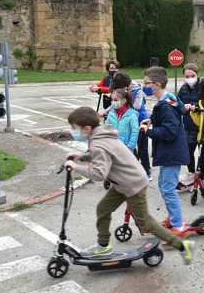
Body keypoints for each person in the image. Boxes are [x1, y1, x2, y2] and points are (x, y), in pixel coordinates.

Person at [63, 106, 195, 263]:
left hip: (132, 184)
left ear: (87, 128)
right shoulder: (102, 135)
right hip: (123, 182)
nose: (73, 131)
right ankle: (103, 245)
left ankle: (182, 245)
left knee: (145, 222)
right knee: (103, 209)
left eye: (75, 128)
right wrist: (82, 157)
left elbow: (99, 174)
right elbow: (104, 155)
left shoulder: (97, 143)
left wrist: (75, 166)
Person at [139, 67, 191, 237]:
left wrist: (149, 132)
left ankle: (178, 225)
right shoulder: (167, 99)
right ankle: (173, 217)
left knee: (168, 188)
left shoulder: (166, 105)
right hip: (170, 152)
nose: (144, 86)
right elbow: (168, 118)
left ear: (157, 84)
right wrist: (151, 120)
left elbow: (169, 131)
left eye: (146, 83)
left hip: (172, 153)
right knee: (163, 186)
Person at [100, 72, 151, 180]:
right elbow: (114, 107)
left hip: (140, 120)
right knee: (130, 149)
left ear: (127, 85)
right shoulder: (119, 94)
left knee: (142, 148)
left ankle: (147, 171)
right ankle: (133, 169)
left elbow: (136, 106)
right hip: (124, 119)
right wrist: (106, 112)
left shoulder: (137, 90)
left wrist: (127, 99)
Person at [178, 63, 203, 184]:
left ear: (197, 75)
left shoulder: (203, 87)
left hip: (202, 124)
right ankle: (191, 173)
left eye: (192, 75)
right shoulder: (183, 88)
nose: (190, 78)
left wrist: (195, 107)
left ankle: (202, 177)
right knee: (188, 151)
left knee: (202, 153)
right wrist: (182, 106)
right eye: (187, 76)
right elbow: (178, 103)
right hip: (188, 125)